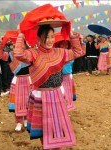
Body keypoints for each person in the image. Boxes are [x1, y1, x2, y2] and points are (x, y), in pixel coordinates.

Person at [14, 4, 85, 150]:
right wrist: (21, 34)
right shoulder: (33, 53)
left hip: (57, 95)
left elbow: (78, 52)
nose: (50, 40)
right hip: (40, 96)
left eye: (52, 37)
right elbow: (19, 54)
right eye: (47, 37)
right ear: (39, 37)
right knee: (43, 130)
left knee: (58, 128)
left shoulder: (59, 53)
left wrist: (71, 34)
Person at [0, 31, 32, 132]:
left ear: (25, 43)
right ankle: (18, 122)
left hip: (29, 80)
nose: (19, 45)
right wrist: (1, 43)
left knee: (28, 101)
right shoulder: (11, 54)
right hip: (17, 80)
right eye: (17, 43)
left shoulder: (30, 53)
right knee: (17, 102)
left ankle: (26, 120)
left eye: (21, 42)